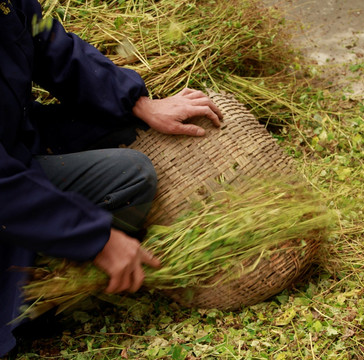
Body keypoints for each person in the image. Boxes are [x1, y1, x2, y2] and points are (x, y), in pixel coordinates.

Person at [0, 0, 223, 355]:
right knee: (131, 175)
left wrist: (137, 102)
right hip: (7, 183)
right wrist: (95, 238)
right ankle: (31, 280)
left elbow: (50, 44)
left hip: (18, 139)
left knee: (123, 125)